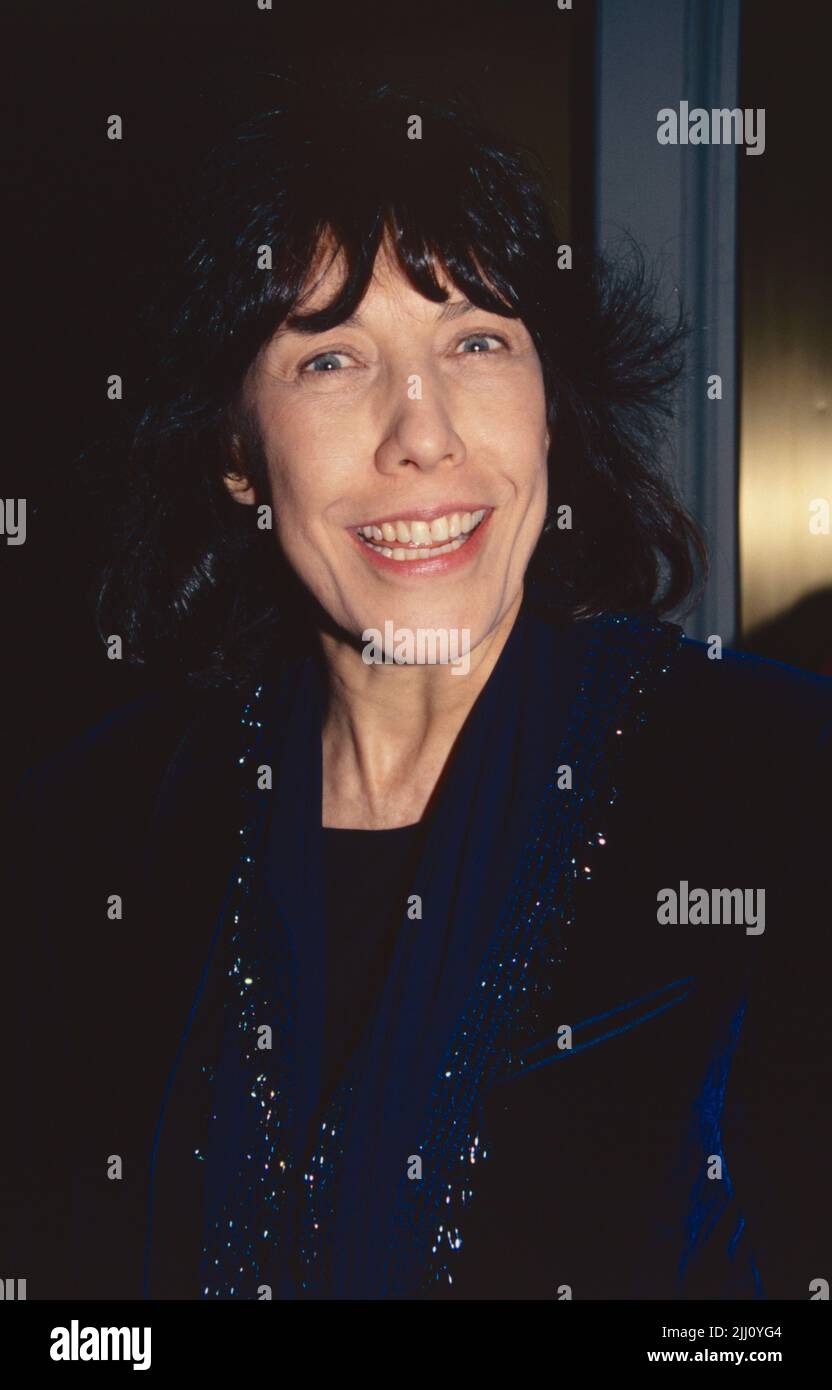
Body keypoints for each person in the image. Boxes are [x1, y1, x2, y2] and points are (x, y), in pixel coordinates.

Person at [4, 79, 830, 1302]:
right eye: (331, 357)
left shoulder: (784, 780)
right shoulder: (85, 834)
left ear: (552, 407)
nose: (421, 434)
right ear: (236, 455)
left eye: (476, 342)